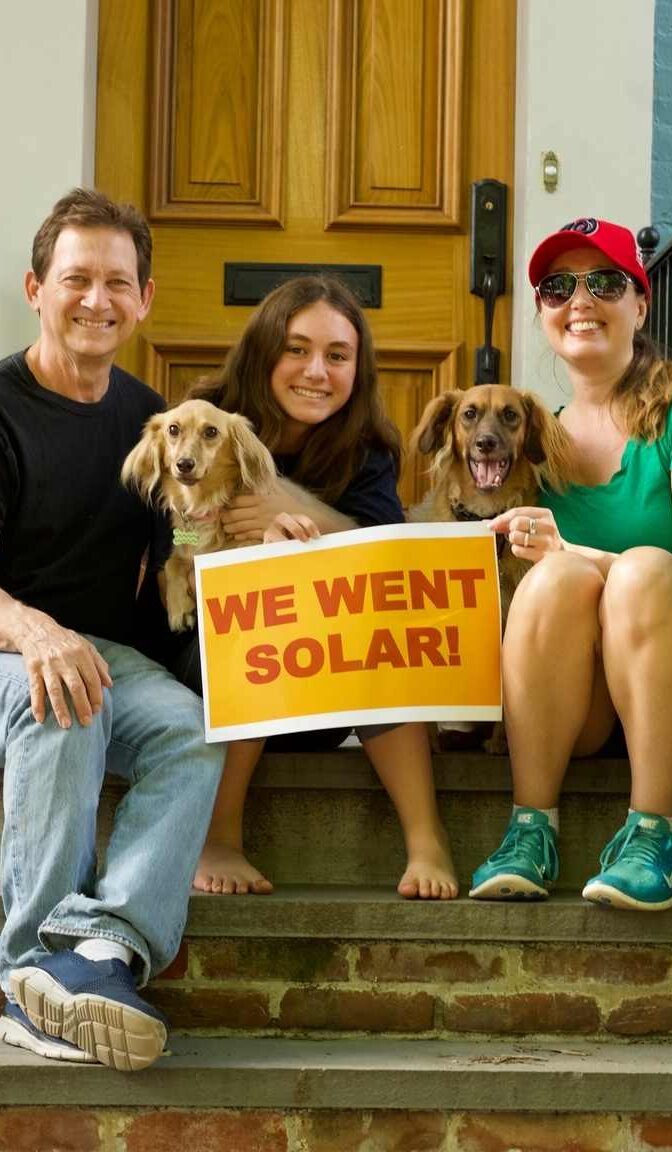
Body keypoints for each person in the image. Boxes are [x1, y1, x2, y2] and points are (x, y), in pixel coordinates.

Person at [0, 188, 224, 1070]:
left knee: (193, 730)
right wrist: (37, 634)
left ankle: (103, 951)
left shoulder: (149, 420)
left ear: (145, 299)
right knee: (64, 698)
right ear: (37, 287)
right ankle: (30, 978)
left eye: (119, 282)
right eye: (77, 278)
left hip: (95, 648)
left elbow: (183, 554)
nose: (97, 299)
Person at [468, 218, 672, 911]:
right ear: (542, 312)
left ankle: (656, 835)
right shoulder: (533, 436)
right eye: (557, 287)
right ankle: (530, 828)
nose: (580, 300)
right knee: (553, 581)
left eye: (604, 282)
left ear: (640, 305)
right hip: (592, 698)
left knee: (638, 569)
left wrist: (572, 552)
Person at [154, 275, 458, 901]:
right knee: (265, 609)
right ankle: (221, 835)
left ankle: (427, 842)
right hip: (213, 673)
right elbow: (172, 541)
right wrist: (203, 538)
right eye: (296, 349)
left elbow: (383, 556)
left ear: (357, 368)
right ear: (265, 350)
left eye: (337, 356)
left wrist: (286, 510)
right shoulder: (205, 421)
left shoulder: (367, 447)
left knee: (383, 620)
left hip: (324, 683)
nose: (315, 371)